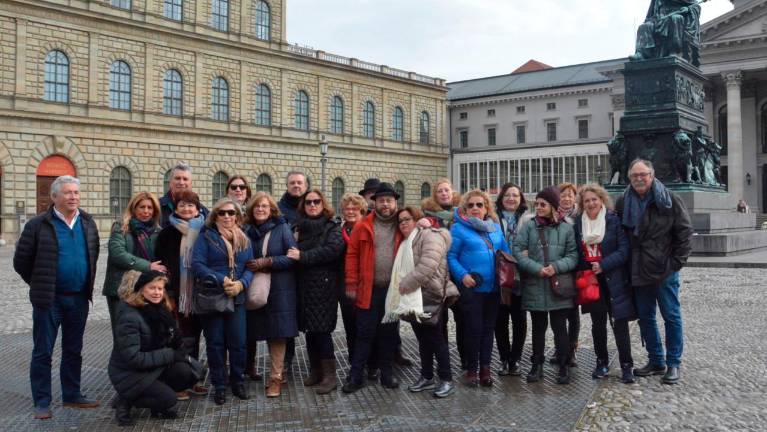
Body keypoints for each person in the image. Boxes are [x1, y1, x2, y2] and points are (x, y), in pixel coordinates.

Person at [14, 175, 101, 420]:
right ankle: (42, 402)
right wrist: (41, 283)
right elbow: (21, 261)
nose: (73, 196)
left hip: (78, 298)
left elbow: (92, 254)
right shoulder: (38, 225)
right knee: (43, 351)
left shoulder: (87, 222)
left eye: (76, 192)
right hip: (49, 299)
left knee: (74, 349)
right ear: (54, 197)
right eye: (67, 193)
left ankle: (72, 394)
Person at [616, 159, 693, 385]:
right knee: (645, 317)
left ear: (652, 175)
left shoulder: (669, 199)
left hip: (664, 269)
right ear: (629, 178)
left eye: (643, 174)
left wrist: (675, 263)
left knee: (671, 315)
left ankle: (674, 363)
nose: (639, 179)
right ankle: (656, 359)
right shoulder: (623, 201)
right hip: (638, 269)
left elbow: (685, 233)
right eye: (634, 175)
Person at [108, 271, 197, 426]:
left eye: (160, 289)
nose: (157, 292)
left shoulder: (160, 309)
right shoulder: (129, 316)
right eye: (152, 288)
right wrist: (170, 354)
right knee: (169, 399)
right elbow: (133, 358)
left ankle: (156, 404)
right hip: (129, 373)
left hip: (151, 367)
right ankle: (126, 399)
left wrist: (179, 343)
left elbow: (166, 340)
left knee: (185, 373)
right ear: (142, 289)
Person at [343, 182, 404, 393]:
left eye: (389, 200)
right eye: (381, 200)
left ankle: (386, 373)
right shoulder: (363, 225)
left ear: (395, 202)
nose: (385, 204)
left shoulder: (402, 224)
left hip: (393, 291)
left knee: (388, 334)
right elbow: (352, 256)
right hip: (369, 289)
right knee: (364, 333)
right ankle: (356, 375)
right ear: (374, 203)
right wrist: (351, 284)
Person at [192, 198, 254, 405]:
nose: (227, 216)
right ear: (215, 216)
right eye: (222, 213)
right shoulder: (206, 237)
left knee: (238, 343)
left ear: (237, 215)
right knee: (215, 344)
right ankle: (219, 385)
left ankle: (237, 382)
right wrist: (223, 280)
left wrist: (241, 284)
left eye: (231, 212)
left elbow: (249, 267)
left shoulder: (244, 239)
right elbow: (198, 264)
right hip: (213, 298)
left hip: (237, 298)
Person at [514, 186, 578, 385]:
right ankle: (537, 364)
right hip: (535, 284)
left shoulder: (567, 228)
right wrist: (535, 268)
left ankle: (564, 365)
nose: (539, 208)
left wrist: (555, 267)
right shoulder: (528, 226)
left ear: (552, 206)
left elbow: (573, 255)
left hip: (558, 285)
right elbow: (517, 250)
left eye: (543, 204)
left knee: (560, 328)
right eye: (537, 204)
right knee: (538, 328)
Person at [573, 184, 636, 384]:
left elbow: (623, 250)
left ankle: (627, 365)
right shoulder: (578, 224)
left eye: (594, 199)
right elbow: (577, 251)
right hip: (592, 281)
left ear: (601, 200)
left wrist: (603, 265)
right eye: (587, 201)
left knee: (620, 323)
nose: (591, 203)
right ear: (582, 204)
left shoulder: (612, 221)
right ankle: (601, 361)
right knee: (597, 324)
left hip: (613, 278)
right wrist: (585, 268)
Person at [394, 207, 459, 398]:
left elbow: (428, 265)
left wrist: (405, 283)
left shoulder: (430, 235)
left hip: (431, 294)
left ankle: (446, 379)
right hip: (415, 297)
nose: (403, 223)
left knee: (437, 339)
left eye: (407, 219)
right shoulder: (408, 240)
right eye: (400, 221)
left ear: (418, 219)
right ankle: (427, 376)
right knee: (422, 339)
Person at [447, 189, 510, 387]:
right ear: (465, 209)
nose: (475, 208)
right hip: (472, 288)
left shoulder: (495, 229)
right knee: (473, 329)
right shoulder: (457, 229)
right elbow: (450, 257)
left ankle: (486, 368)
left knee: (488, 329)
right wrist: (462, 275)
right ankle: (472, 369)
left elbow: (506, 254)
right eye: (471, 205)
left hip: (493, 288)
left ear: (486, 208)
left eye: (479, 205)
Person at [243, 192, 299, 398]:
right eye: (257, 206)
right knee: (252, 331)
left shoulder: (282, 228)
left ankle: (276, 378)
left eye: (264, 206)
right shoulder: (245, 229)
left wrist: (268, 262)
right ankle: (248, 369)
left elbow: (293, 257)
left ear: (271, 209)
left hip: (279, 288)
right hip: (254, 287)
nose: (260, 209)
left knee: (277, 334)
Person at [154, 189, 209, 398]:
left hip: (202, 293)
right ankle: (180, 383)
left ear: (197, 209)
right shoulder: (167, 233)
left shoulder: (206, 230)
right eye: (182, 205)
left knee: (199, 338)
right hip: (178, 295)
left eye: (191, 205)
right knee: (183, 339)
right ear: (175, 208)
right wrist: (167, 294)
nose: (186, 209)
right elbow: (160, 265)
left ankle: (194, 379)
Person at [291, 189, 345, 394]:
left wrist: (303, 256)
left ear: (323, 204)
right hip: (303, 286)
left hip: (324, 286)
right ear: (303, 206)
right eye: (308, 202)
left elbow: (332, 251)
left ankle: (330, 376)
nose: (312, 205)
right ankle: (315, 370)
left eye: (316, 202)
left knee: (322, 331)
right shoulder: (298, 227)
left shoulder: (332, 227)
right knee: (310, 331)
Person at [419, 179, 467, 370]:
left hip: (458, 271)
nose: (444, 193)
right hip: (438, 274)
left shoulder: (462, 214)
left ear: (453, 192)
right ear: (435, 196)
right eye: (440, 191)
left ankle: (465, 358)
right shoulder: (429, 217)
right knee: (439, 320)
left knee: (463, 319)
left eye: (447, 190)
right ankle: (443, 360)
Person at [103, 192, 165, 330]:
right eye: (142, 207)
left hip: (146, 288)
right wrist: (148, 266)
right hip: (121, 288)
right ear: (133, 208)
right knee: (122, 334)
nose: (146, 211)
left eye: (150, 208)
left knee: (144, 334)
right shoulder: (121, 227)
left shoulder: (157, 232)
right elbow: (117, 254)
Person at [494, 183, 533, 377]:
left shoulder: (528, 220)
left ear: (521, 199)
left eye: (515, 195)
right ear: (501, 198)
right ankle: (503, 358)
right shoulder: (492, 218)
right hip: (498, 275)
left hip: (520, 275)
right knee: (500, 321)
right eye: (508, 195)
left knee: (519, 320)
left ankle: (515, 359)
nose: (511, 199)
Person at [277, 170, 308, 370]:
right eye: (292, 183)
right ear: (287, 186)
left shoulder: (313, 205)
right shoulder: (279, 209)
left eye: (299, 183)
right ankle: (286, 359)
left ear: (305, 186)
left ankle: (316, 360)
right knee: (286, 315)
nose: (296, 186)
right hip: (286, 270)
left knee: (311, 315)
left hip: (308, 269)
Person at [337, 193, 369, 370]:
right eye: (347, 208)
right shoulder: (339, 230)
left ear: (361, 209)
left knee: (366, 323)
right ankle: (354, 360)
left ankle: (370, 361)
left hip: (366, 281)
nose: (350, 211)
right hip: (346, 283)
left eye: (354, 208)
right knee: (350, 323)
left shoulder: (367, 227)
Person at [556, 182, 581, 367]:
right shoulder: (552, 215)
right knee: (558, 312)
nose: (566, 198)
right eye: (563, 195)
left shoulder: (579, 217)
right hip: (557, 268)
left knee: (572, 312)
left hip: (575, 268)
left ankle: (571, 349)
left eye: (570, 195)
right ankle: (560, 348)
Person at [159, 163, 209, 227]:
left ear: (191, 184)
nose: (181, 183)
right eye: (177, 178)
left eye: (185, 179)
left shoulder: (203, 211)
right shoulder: (158, 207)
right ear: (170, 182)